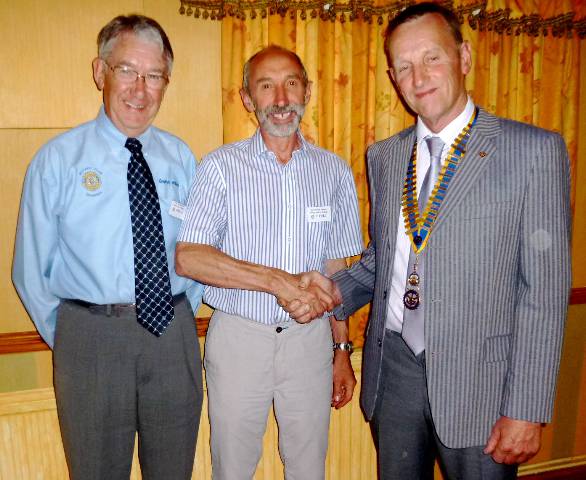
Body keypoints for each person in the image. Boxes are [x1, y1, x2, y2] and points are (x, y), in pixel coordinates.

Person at [290, 3, 571, 479]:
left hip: (480, 384)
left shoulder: (532, 151)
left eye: (431, 58)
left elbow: (543, 293)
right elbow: (386, 260)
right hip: (394, 372)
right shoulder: (384, 157)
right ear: (392, 78)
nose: (418, 77)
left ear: (463, 56)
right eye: (403, 67)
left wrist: (526, 407)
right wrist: (334, 291)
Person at [12, 14, 203, 480]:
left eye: (154, 75)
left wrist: (179, 310)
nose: (141, 89)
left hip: (171, 334)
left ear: (166, 82)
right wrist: (77, 335)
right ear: (101, 72)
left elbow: (196, 252)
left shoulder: (180, 156)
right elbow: (29, 269)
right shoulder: (58, 160)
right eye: (127, 71)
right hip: (91, 338)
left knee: (173, 470)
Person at [175, 45, 363, 480]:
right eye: (266, 86)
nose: (281, 98)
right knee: (233, 468)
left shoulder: (333, 171)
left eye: (291, 83)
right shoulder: (220, 167)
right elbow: (189, 258)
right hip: (240, 339)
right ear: (247, 99)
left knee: (308, 466)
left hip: (310, 343)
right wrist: (277, 282)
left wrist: (341, 350)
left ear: (308, 92)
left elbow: (337, 270)